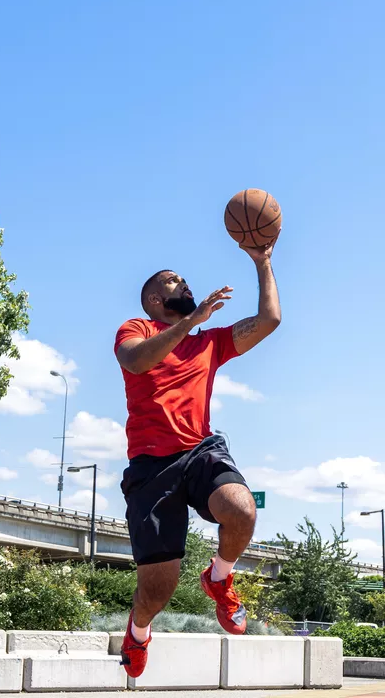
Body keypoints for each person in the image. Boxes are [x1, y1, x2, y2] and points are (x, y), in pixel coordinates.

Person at [114, 236, 281, 677]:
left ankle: (220, 576)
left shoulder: (210, 342)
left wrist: (262, 261)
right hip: (152, 467)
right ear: (155, 299)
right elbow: (135, 362)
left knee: (242, 510)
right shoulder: (136, 329)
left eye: (185, 279)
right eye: (174, 281)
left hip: (200, 450)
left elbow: (269, 319)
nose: (184, 283)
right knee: (157, 589)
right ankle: (138, 632)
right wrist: (190, 323)